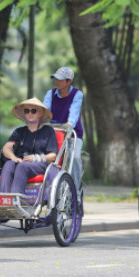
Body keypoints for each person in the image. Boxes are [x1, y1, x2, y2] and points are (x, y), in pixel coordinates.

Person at [0, 98, 59, 200]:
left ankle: (15, 201)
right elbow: (6, 148)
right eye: (27, 111)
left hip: (42, 164)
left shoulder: (48, 131)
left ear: (40, 113)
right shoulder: (19, 131)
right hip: (22, 162)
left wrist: (36, 158)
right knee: (9, 164)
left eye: (33, 111)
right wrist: (14, 158)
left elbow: (53, 156)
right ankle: (3, 200)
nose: (30, 113)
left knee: (23, 166)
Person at [43, 66, 84, 195]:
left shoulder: (77, 94)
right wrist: (40, 122)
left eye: (61, 80)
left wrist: (69, 125)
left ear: (69, 81)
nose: (57, 82)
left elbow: (74, 113)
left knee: (75, 158)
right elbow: (45, 112)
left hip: (72, 135)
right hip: (53, 134)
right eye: (56, 79)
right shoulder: (50, 94)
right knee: (47, 159)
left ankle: (76, 191)